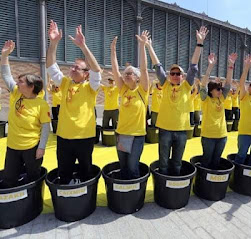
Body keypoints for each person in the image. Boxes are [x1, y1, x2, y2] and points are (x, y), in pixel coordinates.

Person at [146, 26, 208, 175]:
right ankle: (163, 183)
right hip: (165, 130)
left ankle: (175, 182)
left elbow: (193, 67)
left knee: (177, 161)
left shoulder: (187, 86)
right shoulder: (165, 85)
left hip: (181, 131)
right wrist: (148, 46)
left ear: (182, 76)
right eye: (172, 73)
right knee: (163, 160)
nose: (174, 75)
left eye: (178, 73)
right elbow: (157, 66)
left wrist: (199, 44)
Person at [46, 20, 102, 184]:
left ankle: (84, 200)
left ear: (86, 73)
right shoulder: (64, 83)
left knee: (86, 171)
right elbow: (50, 66)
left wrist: (83, 46)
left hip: (84, 137)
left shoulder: (91, 87)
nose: (72, 69)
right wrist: (53, 43)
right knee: (64, 172)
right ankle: (66, 197)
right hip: (64, 136)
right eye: (72, 66)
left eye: (76, 67)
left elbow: (97, 70)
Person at [1, 40, 51, 187]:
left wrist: (41, 147)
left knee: (32, 177)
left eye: (21, 81)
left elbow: (46, 128)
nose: (17, 83)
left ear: (31, 86)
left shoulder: (42, 104)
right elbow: (6, 75)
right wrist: (5, 55)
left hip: (31, 147)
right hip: (12, 146)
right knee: (9, 177)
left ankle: (32, 203)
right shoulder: (17, 93)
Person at [110, 31, 150, 179]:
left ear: (137, 78)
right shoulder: (123, 89)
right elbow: (115, 70)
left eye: (130, 73)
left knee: (133, 167)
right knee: (123, 166)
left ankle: (134, 192)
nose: (126, 75)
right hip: (121, 134)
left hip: (137, 136)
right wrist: (113, 51)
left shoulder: (143, 90)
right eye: (125, 73)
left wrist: (142, 46)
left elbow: (144, 69)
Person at [199, 52, 237, 169]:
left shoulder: (222, 98)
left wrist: (231, 66)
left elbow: (228, 84)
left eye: (220, 88)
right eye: (217, 89)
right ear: (211, 90)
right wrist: (210, 66)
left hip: (222, 136)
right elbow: (203, 85)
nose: (220, 90)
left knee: (216, 161)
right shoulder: (205, 99)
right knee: (206, 160)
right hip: (208, 136)